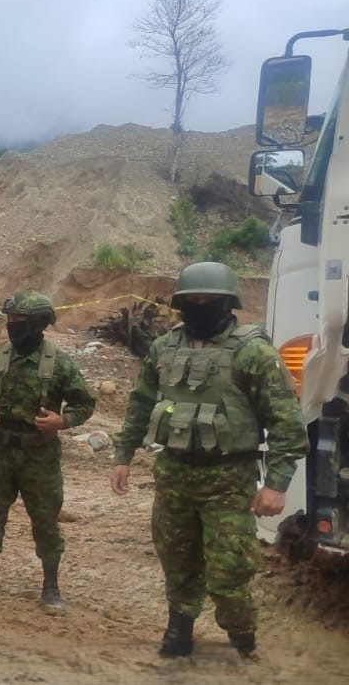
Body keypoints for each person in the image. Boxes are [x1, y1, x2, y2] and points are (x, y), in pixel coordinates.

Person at [110, 262, 309, 658]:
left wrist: (277, 484)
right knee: (177, 559)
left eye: (209, 300)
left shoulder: (253, 351)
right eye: (192, 300)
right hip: (174, 474)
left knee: (229, 571)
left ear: (227, 302)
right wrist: (123, 455)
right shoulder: (164, 348)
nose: (199, 306)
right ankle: (179, 630)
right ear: (181, 303)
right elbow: (140, 404)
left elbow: (287, 423)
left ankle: (241, 635)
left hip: (229, 479)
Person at [0, 290, 95, 613]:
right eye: (10, 320)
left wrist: (61, 421)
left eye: (18, 321)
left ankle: (50, 588)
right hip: (0, 452)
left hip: (40, 456)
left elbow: (85, 402)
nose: (12, 326)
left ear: (37, 324)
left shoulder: (59, 364)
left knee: (46, 520)